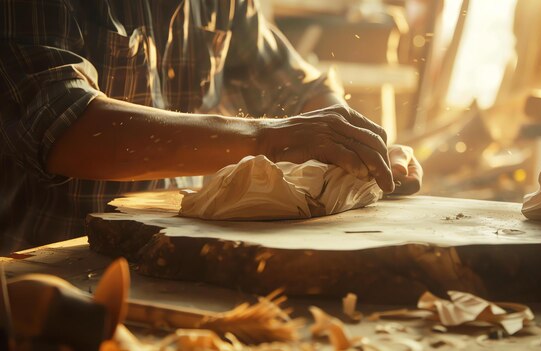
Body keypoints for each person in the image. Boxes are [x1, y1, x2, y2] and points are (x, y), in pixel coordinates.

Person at [0, 0, 422, 253]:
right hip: (43, 270)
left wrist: (350, 140)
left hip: (174, 254)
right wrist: (270, 138)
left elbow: (297, 86)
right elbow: (62, 125)